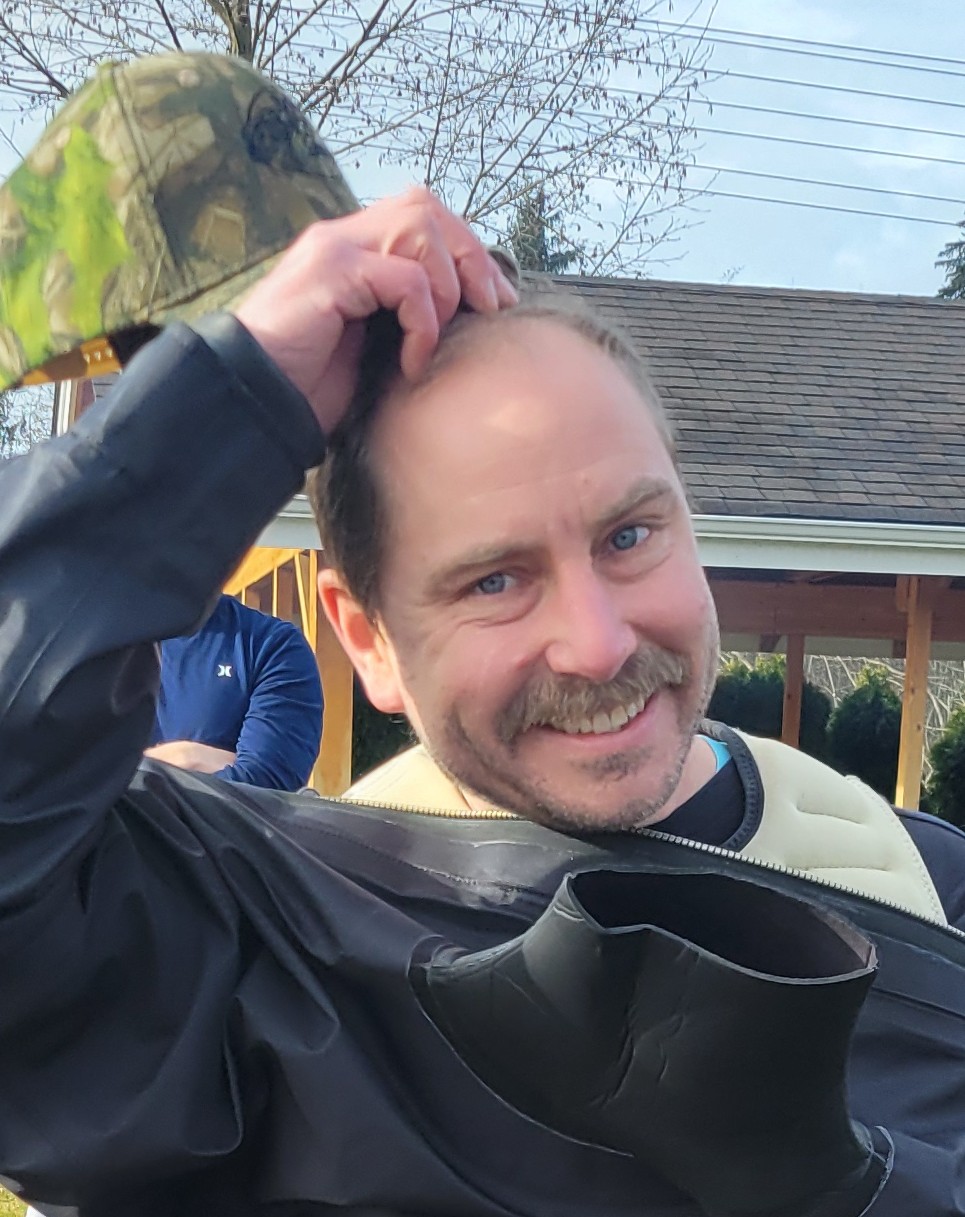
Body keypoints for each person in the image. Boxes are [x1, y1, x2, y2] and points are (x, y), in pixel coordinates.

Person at [1, 49, 965, 1217]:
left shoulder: (922, 885)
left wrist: (861, 1186)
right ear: (365, 638)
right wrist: (229, 395)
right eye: (496, 580)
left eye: (627, 536)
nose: (599, 644)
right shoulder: (261, 948)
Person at [147, 592, 324, 791]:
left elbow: (265, 787)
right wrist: (190, 758)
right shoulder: (108, 639)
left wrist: (139, 769)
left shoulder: (272, 645)